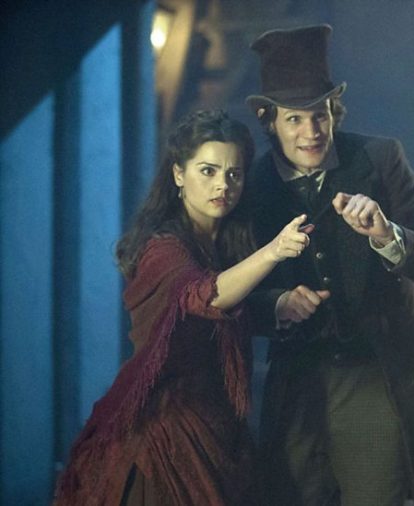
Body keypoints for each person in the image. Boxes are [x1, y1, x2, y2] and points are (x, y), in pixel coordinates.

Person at [244, 25, 414, 506]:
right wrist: (276, 304)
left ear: (333, 112)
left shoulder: (379, 160)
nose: (312, 132)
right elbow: (227, 297)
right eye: (295, 119)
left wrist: (388, 235)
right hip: (299, 379)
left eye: (319, 115)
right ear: (269, 121)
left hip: (375, 372)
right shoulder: (254, 186)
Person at [54, 110, 312, 505]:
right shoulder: (162, 248)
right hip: (165, 430)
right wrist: (273, 252)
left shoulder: (226, 244)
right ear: (178, 174)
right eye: (208, 171)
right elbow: (204, 297)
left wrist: (278, 305)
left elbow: (227, 314)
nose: (222, 185)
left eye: (234, 174)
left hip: (220, 424)